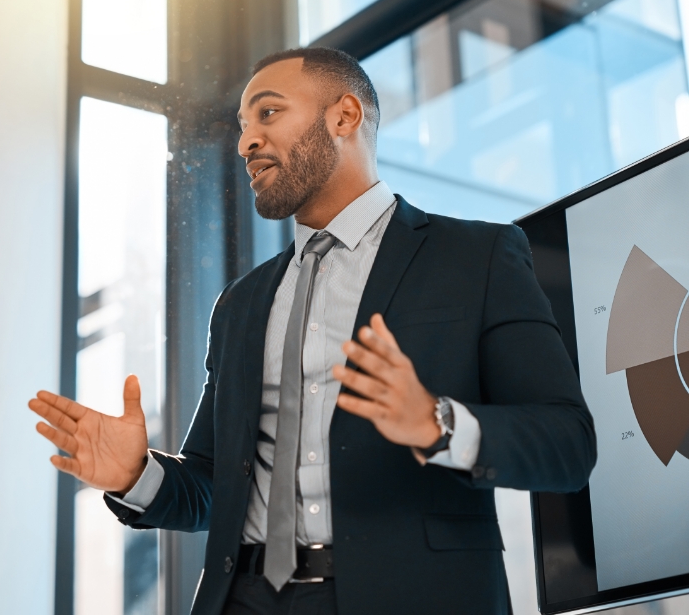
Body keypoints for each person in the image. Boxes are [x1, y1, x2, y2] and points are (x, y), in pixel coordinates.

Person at [30, 47, 596, 615]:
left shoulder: (478, 257)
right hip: (245, 599)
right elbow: (212, 486)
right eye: (242, 125)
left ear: (344, 117)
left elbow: (567, 446)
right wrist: (137, 475)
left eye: (267, 114)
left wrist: (435, 421)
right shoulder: (240, 304)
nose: (245, 142)